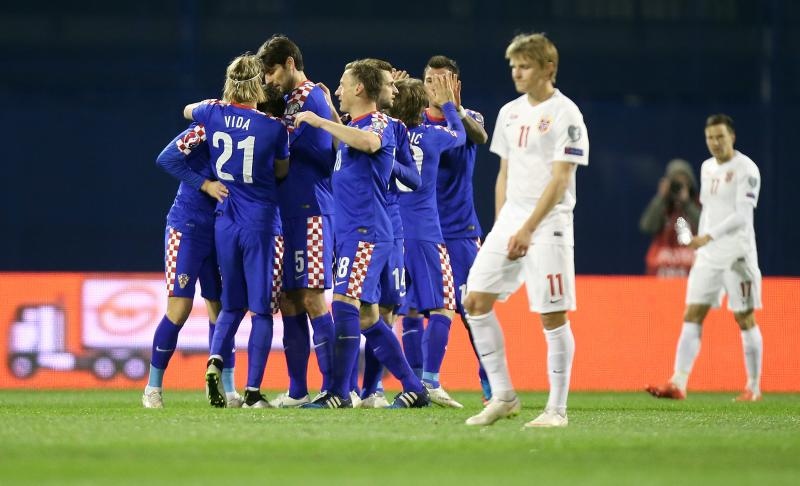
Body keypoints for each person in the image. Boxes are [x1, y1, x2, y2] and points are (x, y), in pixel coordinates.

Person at [463, 33, 589, 427]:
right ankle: (503, 395)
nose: (517, 73)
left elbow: (560, 179)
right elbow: (504, 173)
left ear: (548, 68)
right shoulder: (509, 112)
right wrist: (504, 225)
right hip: (512, 221)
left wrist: (529, 228)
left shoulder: (567, 114)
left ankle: (557, 410)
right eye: (513, 66)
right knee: (475, 301)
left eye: (525, 66)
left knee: (552, 315)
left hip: (549, 224)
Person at [293, 60, 428, 409]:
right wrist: (335, 123)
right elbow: (357, 142)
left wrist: (320, 120)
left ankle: (339, 393)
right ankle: (415, 388)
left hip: (366, 231)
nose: (336, 91)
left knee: (345, 305)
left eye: (341, 84)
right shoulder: (356, 125)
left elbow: (369, 143)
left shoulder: (379, 123)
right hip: (359, 231)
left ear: (358, 89)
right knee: (368, 316)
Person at [183, 53, 290, 408]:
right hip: (260, 222)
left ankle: (215, 359)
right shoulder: (273, 127)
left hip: (225, 220)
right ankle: (253, 392)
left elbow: (188, 110)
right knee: (261, 310)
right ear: (259, 84)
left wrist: (217, 105)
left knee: (230, 304)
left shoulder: (211, 112)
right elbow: (281, 170)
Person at [646, 114, 763, 402]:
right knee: (692, 313)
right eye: (710, 137)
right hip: (709, 255)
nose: (715, 142)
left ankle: (754, 386)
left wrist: (708, 236)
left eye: (720, 136)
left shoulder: (747, 169)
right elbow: (710, 210)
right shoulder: (707, 167)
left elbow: (742, 217)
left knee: (744, 317)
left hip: (737, 254)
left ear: (732, 137)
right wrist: (703, 239)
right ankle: (678, 382)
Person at [257, 35, 337, 408]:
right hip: (286, 214)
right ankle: (297, 391)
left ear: (289, 63)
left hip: (310, 211)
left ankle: (335, 390)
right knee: (289, 300)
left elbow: (277, 145)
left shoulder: (309, 99)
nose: (269, 80)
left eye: (271, 71)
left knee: (313, 298)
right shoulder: (289, 101)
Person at [143, 123, 240, 408]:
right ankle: (153, 388)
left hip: (221, 229)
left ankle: (228, 389)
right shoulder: (208, 125)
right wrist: (205, 184)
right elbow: (166, 158)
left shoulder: (252, 130)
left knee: (220, 310)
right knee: (179, 309)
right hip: (186, 228)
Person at [418, 55, 492, 403]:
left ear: (455, 84)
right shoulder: (411, 122)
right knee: (413, 311)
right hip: (420, 232)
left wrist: (455, 108)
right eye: (430, 80)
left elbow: (479, 136)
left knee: (472, 310)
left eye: (443, 79)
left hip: (460, 232)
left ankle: (491, 380)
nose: (435, 86)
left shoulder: (468, 118)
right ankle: (420, 383)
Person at [390, 76, 467, 408]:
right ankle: (430, 381)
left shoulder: (386, 134)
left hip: (393, 232)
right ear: (421, 108)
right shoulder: (433, 136)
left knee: (392, 310)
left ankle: (373, 389)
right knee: (444, 307)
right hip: (425, 233)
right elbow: (461, 135)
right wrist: (449, 104)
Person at [639, 158, 701, 277]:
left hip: (692, 271)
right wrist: (660, 198)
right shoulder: (663, 206)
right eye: (675, 182)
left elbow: (705, 229)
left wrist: (687, 204)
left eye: (682, 182)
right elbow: (646, 227)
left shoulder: (698, 204)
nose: (678, 187)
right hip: (662, 271)